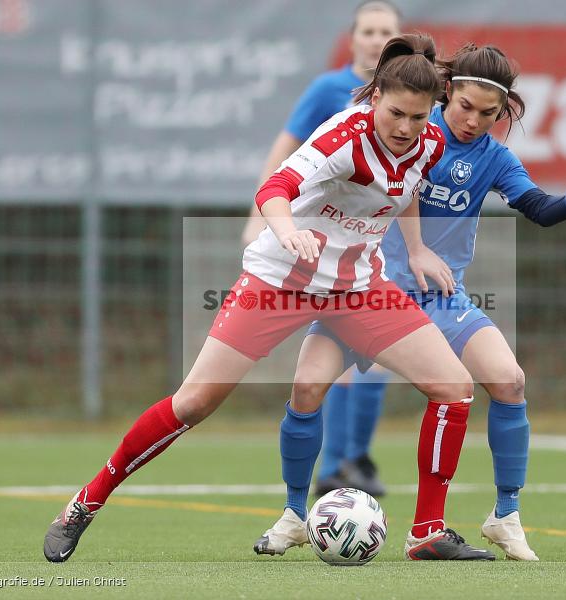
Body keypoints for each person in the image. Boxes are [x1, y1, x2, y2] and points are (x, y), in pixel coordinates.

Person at [44, 33, 494, 563]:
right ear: (374, 98)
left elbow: (408, 188)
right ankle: (85, 503)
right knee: (194, 402)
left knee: (454, 388)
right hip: (280, 281)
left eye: (419, 118)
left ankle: (427, 532)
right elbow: (274, 188)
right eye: (396, 113)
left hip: (357, 288)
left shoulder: (430, 145)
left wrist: (414, 248)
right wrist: (285, 232)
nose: (406, 128)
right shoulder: (342, 140)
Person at [256, 43, 566, 561]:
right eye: (465, 106)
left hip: (441, 299)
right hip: (366, 293)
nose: (473, 121)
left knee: (509, 380)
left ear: (503, 113)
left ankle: (502, 515)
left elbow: (536, 208)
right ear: (447, 93)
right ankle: (295, 513)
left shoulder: (494, 157)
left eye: (488, 114)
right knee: (307, 387)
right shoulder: (412, 135)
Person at [241, 0, 402, 498]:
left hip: (379, 241)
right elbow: (284, 148)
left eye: (386, 33)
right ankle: (333, 466)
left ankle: (355, 456)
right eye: (369, 31)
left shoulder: (410, 104)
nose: (377, 40)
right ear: (352, 39)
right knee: (335, 359)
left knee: (377, 362)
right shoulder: (329, 91)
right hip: (322, 246)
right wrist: (259, 219)